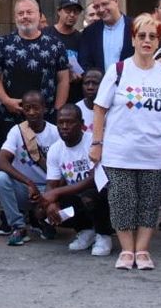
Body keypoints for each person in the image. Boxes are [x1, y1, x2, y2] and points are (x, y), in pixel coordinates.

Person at [92, 14, 161, 271]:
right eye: (141, 36)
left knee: (149, 203)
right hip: (120, 151)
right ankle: (126, 250)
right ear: (133, 39)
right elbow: (99, 108)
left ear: (158, 41)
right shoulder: (118, 70)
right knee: (122, 200)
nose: (147, 41)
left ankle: (142, 250)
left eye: (152, 36)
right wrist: (97, 143)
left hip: (154, 152)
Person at [0, 0, 70, 150]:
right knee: (8, 159)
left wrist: (58, 110)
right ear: (15, 17)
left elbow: (63, 80)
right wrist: (6, 100)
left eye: (29, 12)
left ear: (39, 15)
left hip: (47, 117)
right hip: (11, 116)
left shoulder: (55, 45)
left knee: (48, 159)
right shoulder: (3, 44)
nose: (25, 16)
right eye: (20, 13)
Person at [40, 103, 113, 256]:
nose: (64, 127)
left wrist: (56, 192)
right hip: (76, 195)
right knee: (43, 210)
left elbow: (93, 179)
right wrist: (50, 204)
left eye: (70, 122)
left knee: (89, 197)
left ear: (82, 124)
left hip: (103, 195)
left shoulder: (93, 143)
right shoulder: (55, 149)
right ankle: (86, 231)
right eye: (60, 122)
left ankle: (104, 234)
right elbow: (51, 185)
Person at [0, 89, 59, 246]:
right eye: (27, 108)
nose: (32, 112)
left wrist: (49, 195)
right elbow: (0, 161)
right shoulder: (17, 131)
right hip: (25, 188)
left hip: (49, 188)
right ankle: (18, 226)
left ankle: (43, 220)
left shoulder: (55, 133)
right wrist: (28, 182)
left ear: (44, 108)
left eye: (36, 108)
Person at [76, 0, 131, 73]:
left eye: (105, 4)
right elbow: (85, 63)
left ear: (116, 1)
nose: (101, 9)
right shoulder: (89, 33)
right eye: (97, 6)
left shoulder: (134, 27)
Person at [50, 0, 84, 76]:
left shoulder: (81, 38)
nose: (72, 15)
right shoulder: (46, 34)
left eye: (76, 12)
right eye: (68, 11)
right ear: (59, 11)